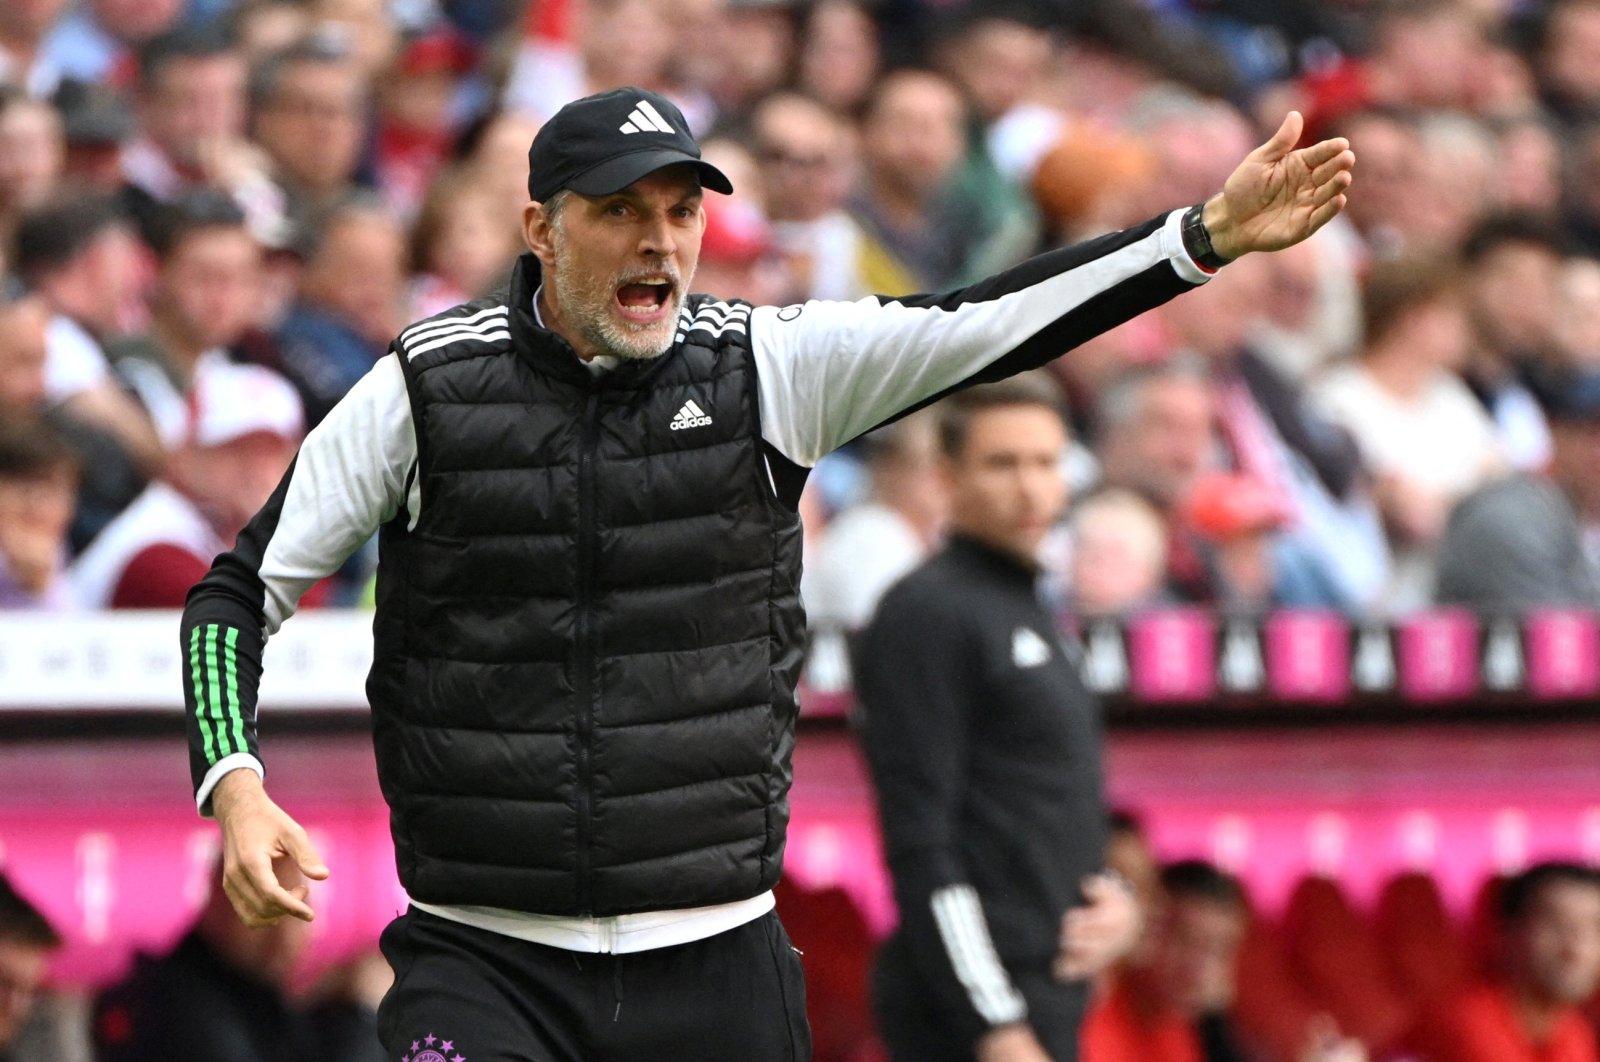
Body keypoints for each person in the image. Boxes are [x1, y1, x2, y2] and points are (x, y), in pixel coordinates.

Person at [179, 85, 1353, 1062]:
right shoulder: (424, 389)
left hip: (718, 966)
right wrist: (233, 784)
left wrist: (1193, 241)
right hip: (485, 956)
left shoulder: (772, 368)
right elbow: (235, 598)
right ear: (539, 229)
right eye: (620, 211)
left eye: (681, 210)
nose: (659, 240)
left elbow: (988, 320)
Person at [855, 378, 1143, 1062]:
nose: (1031, 488)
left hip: (1046, 998)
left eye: (1046, 464)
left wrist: (1119, 901)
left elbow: (1047, 802)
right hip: (971, 1020)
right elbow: (922, 841)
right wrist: (994, 1022)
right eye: (1003, 464)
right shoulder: (925, 613)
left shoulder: (1032, 605)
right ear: (947, 478)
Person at [93, 862, 387, 1062]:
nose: (284, 934)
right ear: (218, 900)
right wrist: (359, 1014)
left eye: (300, 913)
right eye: (268, 911)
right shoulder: (176, 1003)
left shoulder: (242, 998)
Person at [1411, 862, 1600, 1062]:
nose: (1576, 946)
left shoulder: (1575, 1033)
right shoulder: (1467, 1025)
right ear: (1505, 932)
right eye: (1555, 923)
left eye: (1595, 928)